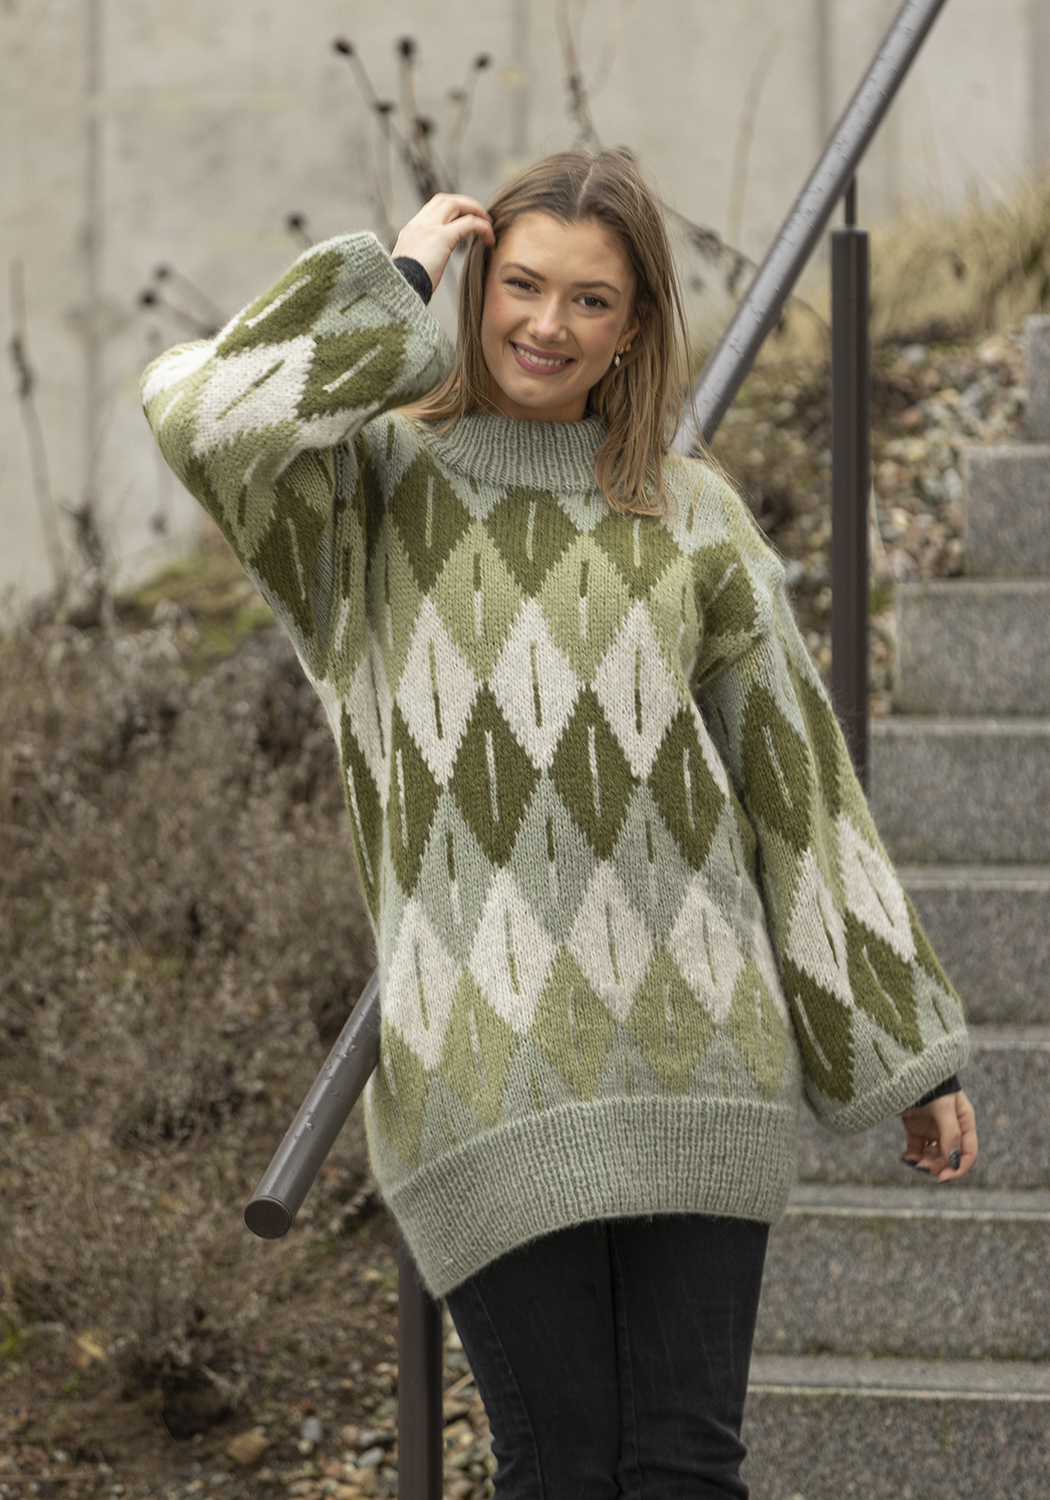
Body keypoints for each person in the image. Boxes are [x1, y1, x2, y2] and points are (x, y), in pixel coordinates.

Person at [142, 150, 978, 1499]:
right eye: (521, 285)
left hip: (699, 1046)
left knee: (687, 1465)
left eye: (591, 301)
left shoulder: (691, 515)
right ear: (476, 288)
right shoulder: (361, 494)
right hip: (484, 1065)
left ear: (634, 326)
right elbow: (206, 416)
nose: (547, 325)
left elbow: (798, 785)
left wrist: (901, 1050)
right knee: (559, 1467)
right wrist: (393, 282)